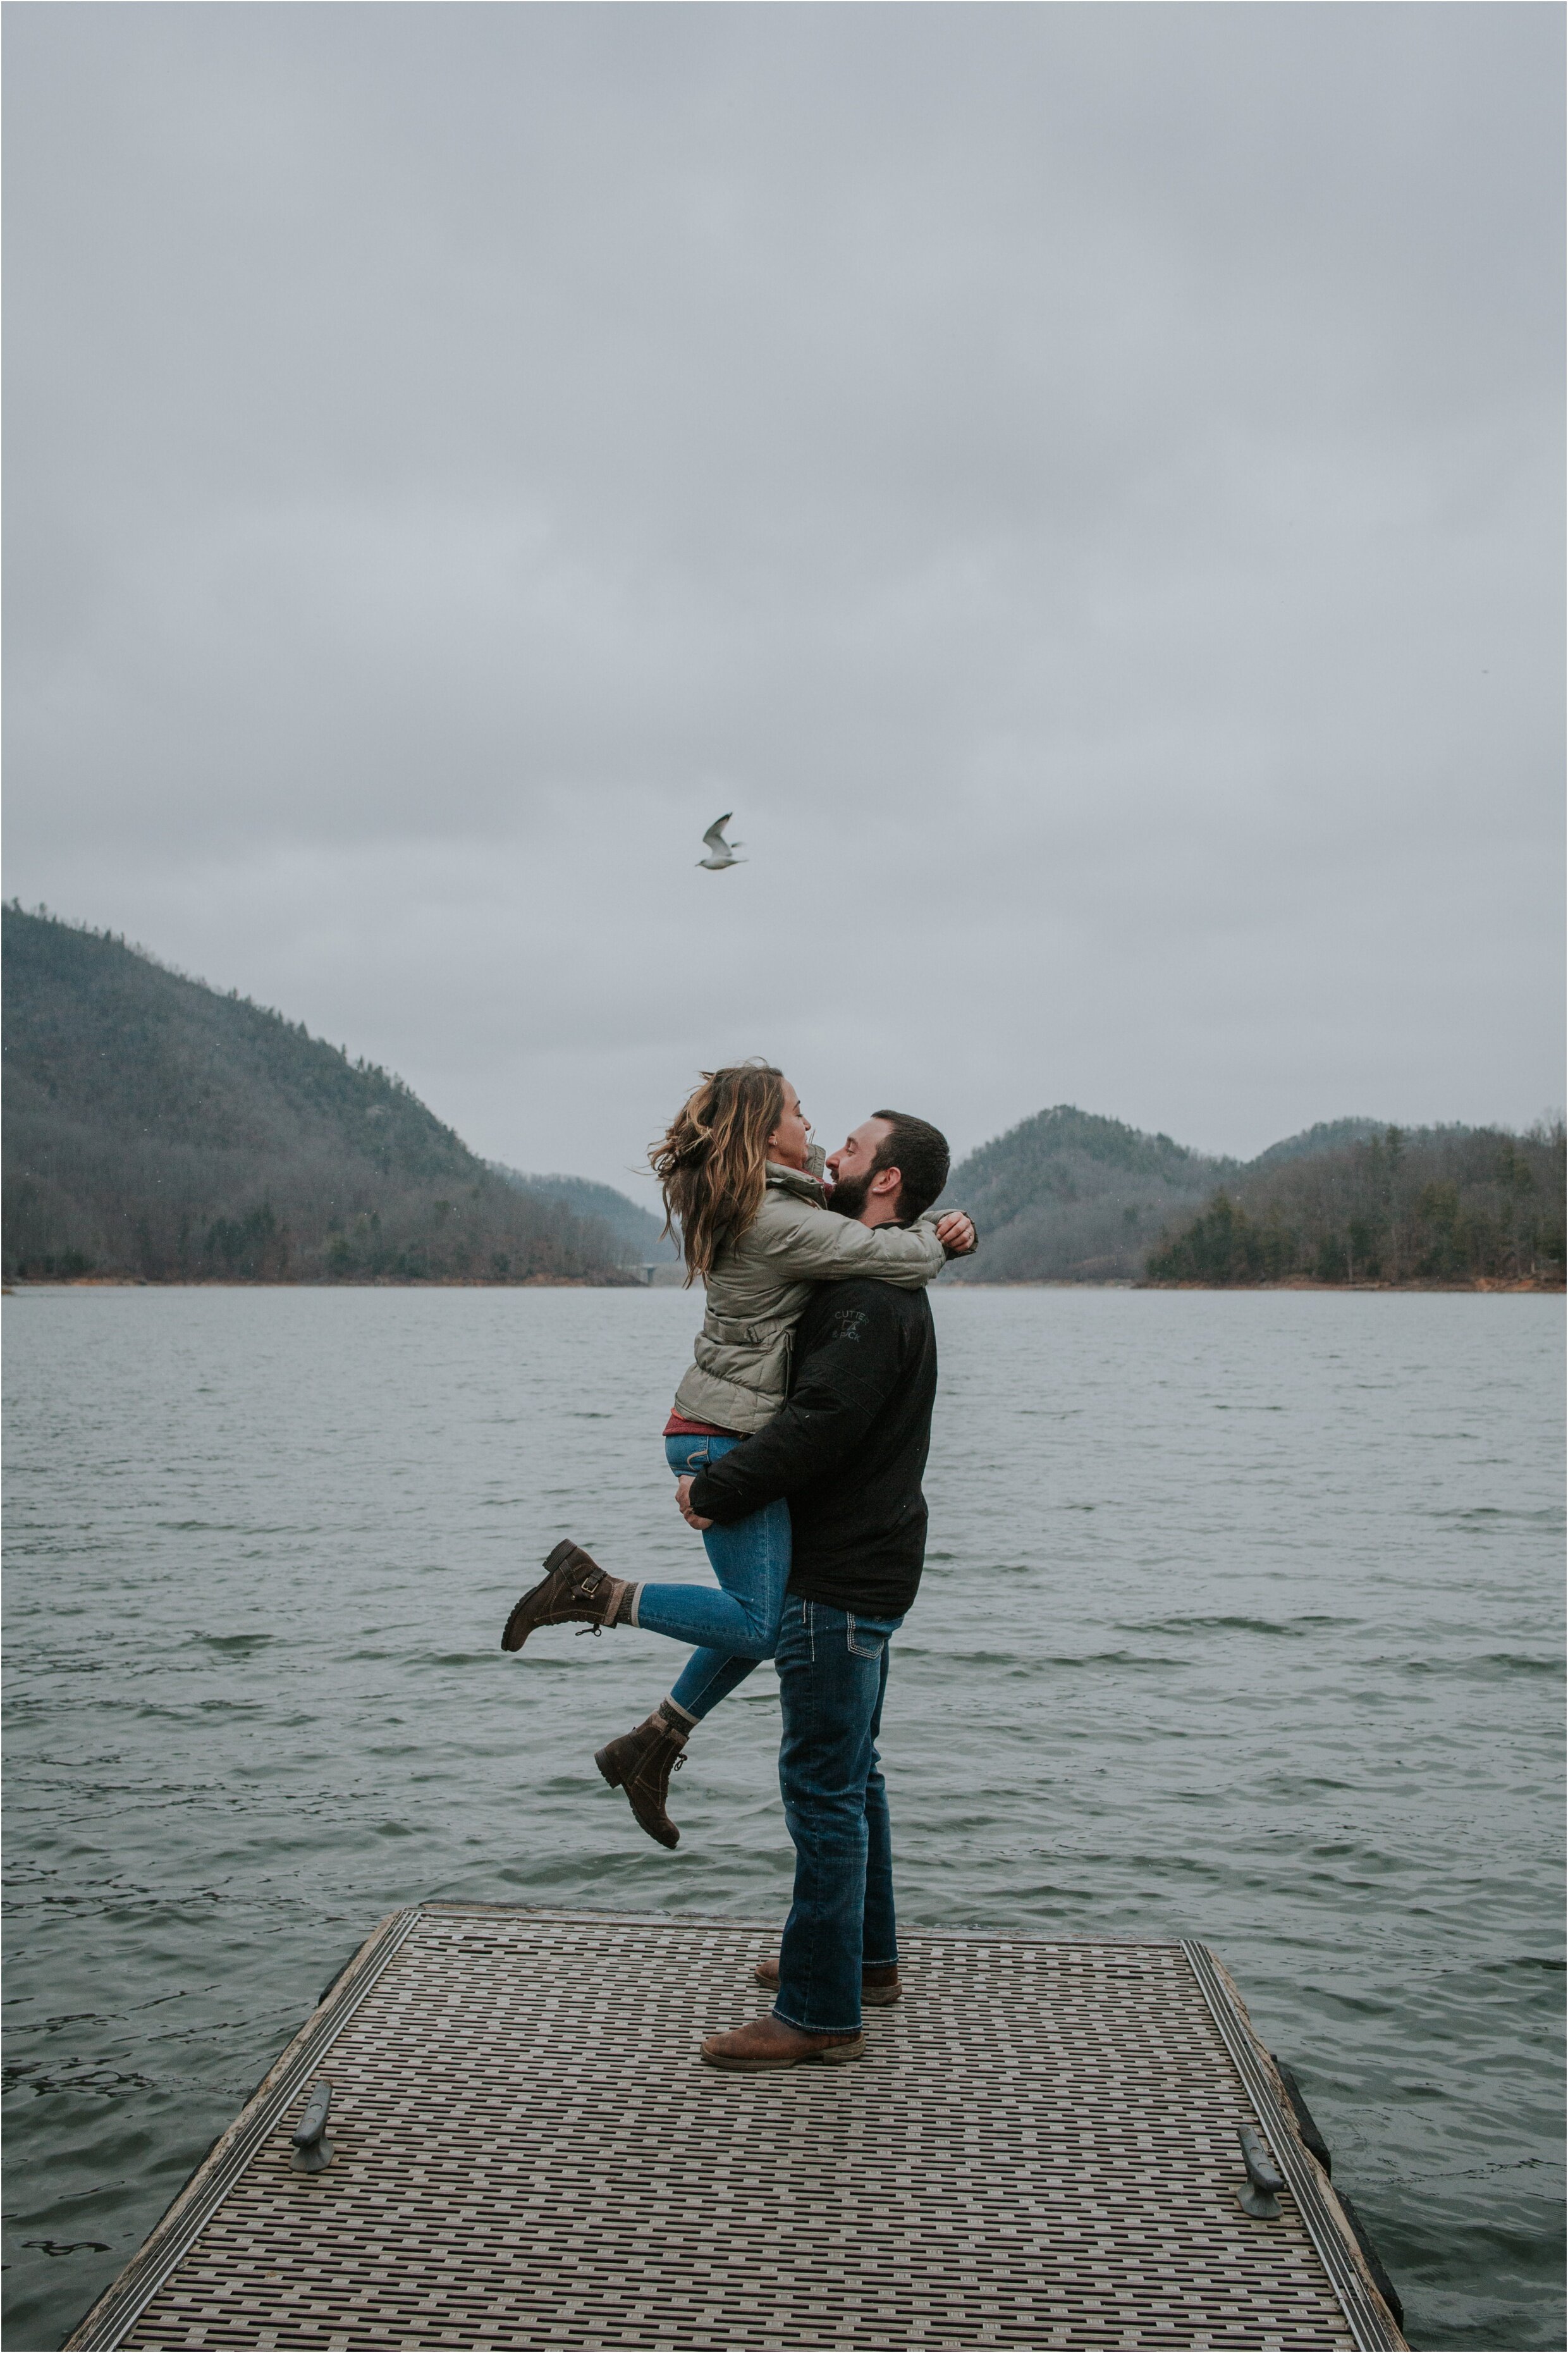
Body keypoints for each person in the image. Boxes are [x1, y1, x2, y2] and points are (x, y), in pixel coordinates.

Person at [498, 1064, 974, 1838]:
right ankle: (595, 1592)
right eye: (796, 1112)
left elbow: (855, 1213)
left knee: (770, 1611)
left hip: (724, 1425)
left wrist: (950, 1220)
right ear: (763, 1133)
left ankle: (657, 1738)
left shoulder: (778, 1199)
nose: (811, 1124)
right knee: (760, 1624)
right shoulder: (773, 1218)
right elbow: (901, 1257)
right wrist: (944, 1237)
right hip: (721, 1436)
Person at [671, 1107, 959, 2068]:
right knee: (855, 1776)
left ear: (883, 1181)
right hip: (873, 1566)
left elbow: (817, 1425)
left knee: (821, 1791)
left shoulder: (867, 1300)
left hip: (838, 1578)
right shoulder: (874, 1276)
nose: (831, 1154)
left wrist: (717, 1489)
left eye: (850, 1148)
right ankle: (864, 1959)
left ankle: (817, 2012)